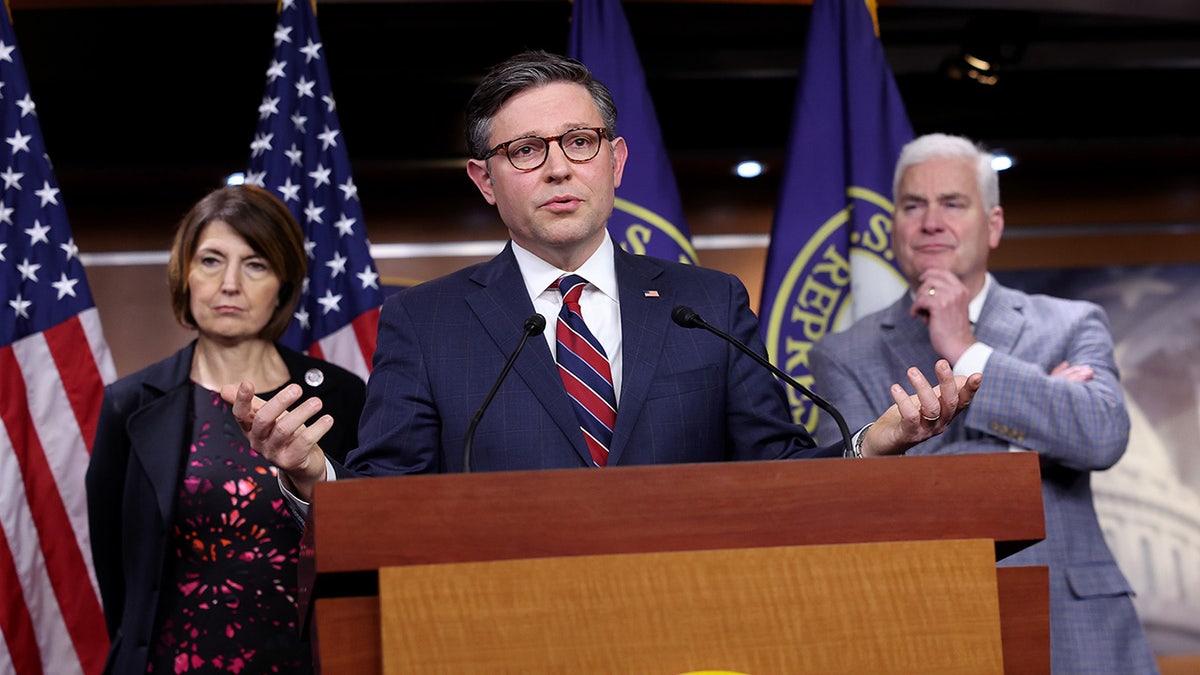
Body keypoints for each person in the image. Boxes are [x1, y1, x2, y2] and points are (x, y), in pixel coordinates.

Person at [226, 50, 978, 507]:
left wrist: (871, 443)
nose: (558, 166)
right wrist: (310, 470)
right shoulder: (426, 322)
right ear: (485, 181)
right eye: (525, 151)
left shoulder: (707, 303)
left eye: (579, 141)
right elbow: (386, 501)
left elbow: (774, 474)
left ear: (615, 162)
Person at [810, 132, 1159, 673]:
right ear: (895, 227)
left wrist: (968, 352)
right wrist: (1034, 441)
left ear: (993, 224)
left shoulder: (1071, 323)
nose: (931, 222)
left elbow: (1102, 435)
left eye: (952, 203)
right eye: (912, 206)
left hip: (1074, 628)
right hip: (929, 626)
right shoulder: (842, 353)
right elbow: (868, 502)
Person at [86, 185, 366, 675]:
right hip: (171, 663)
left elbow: (372, 537)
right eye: (211, 260)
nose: (229, 283)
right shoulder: (129, 403)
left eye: (255, 264)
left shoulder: (340, 396)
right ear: (185, 275)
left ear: (282, 283)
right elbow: (117, 571)